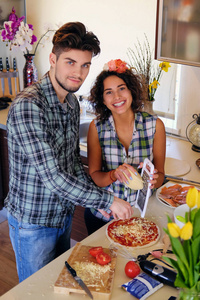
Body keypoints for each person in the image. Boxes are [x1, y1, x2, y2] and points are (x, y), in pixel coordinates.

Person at [5, 24, 133, 282]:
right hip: (34, 223)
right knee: (35, 293)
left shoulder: (72, 102)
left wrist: (98, 198)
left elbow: (72, 163)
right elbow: (52, 177)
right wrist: (107, 201)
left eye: (85, 65)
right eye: (70, 62)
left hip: (61, 216)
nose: (78, 72)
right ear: (52, 60)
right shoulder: (29, 106)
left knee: (59, 287)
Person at [84, 59, 166, 234]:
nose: (117, 97)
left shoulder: (155, 125)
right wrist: (114, 174)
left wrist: (152, 179)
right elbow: (95, 177)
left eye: (122, 88)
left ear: (131, 91)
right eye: (109, 92)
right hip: (104, 215)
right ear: (103, 100)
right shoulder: (96, 128)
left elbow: (160, 175)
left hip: (139, 215)